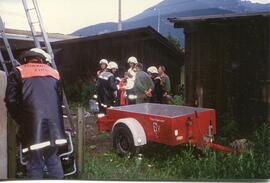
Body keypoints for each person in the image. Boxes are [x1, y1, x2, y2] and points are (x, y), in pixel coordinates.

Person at [5, 49, 66, 179]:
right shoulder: (54, 72)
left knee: (35, 163)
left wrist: (21, 119)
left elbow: (10, 100)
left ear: (25, 59)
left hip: (32, 129)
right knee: (53, 159)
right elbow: (59, 99)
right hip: (55, 128)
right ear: (42, 59)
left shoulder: (18, 71)